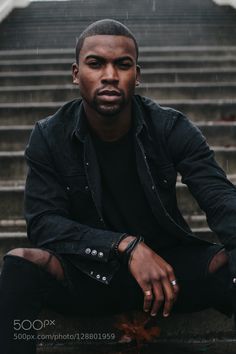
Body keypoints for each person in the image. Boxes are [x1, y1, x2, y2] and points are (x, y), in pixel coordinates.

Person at [0, 18, 236, 354]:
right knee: (21, 262)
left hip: (167, 275)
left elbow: (221, 200)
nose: (110, 75)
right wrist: (124, 246)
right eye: (95, 63)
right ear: (75, 73)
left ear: (136, 75)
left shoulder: (171, 127)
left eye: (122, 65)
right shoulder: (49, 136)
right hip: (89, 273)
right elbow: (43, 224)